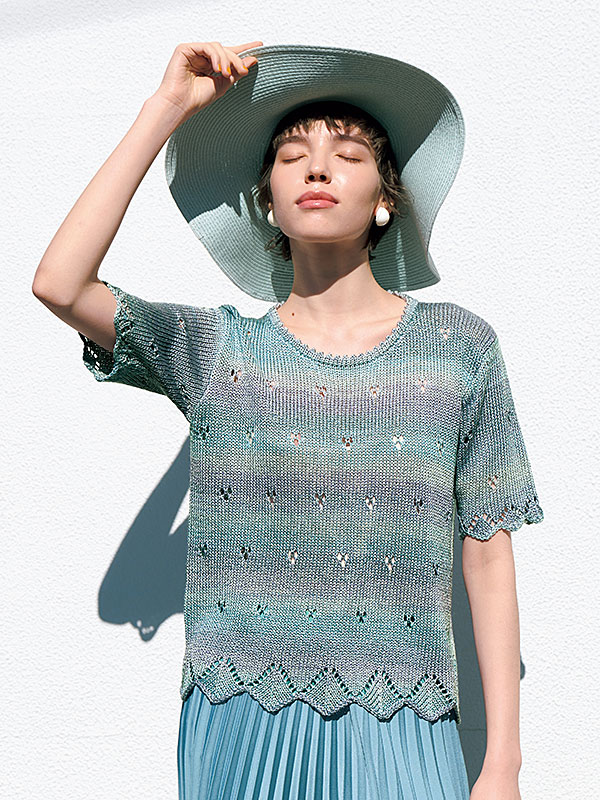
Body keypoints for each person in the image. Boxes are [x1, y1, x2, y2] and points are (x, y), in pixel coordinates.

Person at [33, 40, 544, 800]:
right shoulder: (217, 352)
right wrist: (166, 110)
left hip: (403, 717)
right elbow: (61, 283)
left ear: (386, 200)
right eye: (292, 156)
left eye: (348, 155)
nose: (317, 169)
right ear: (267, 202)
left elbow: (488, 555)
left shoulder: (458, 348)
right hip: (240, 722)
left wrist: (503, 763)